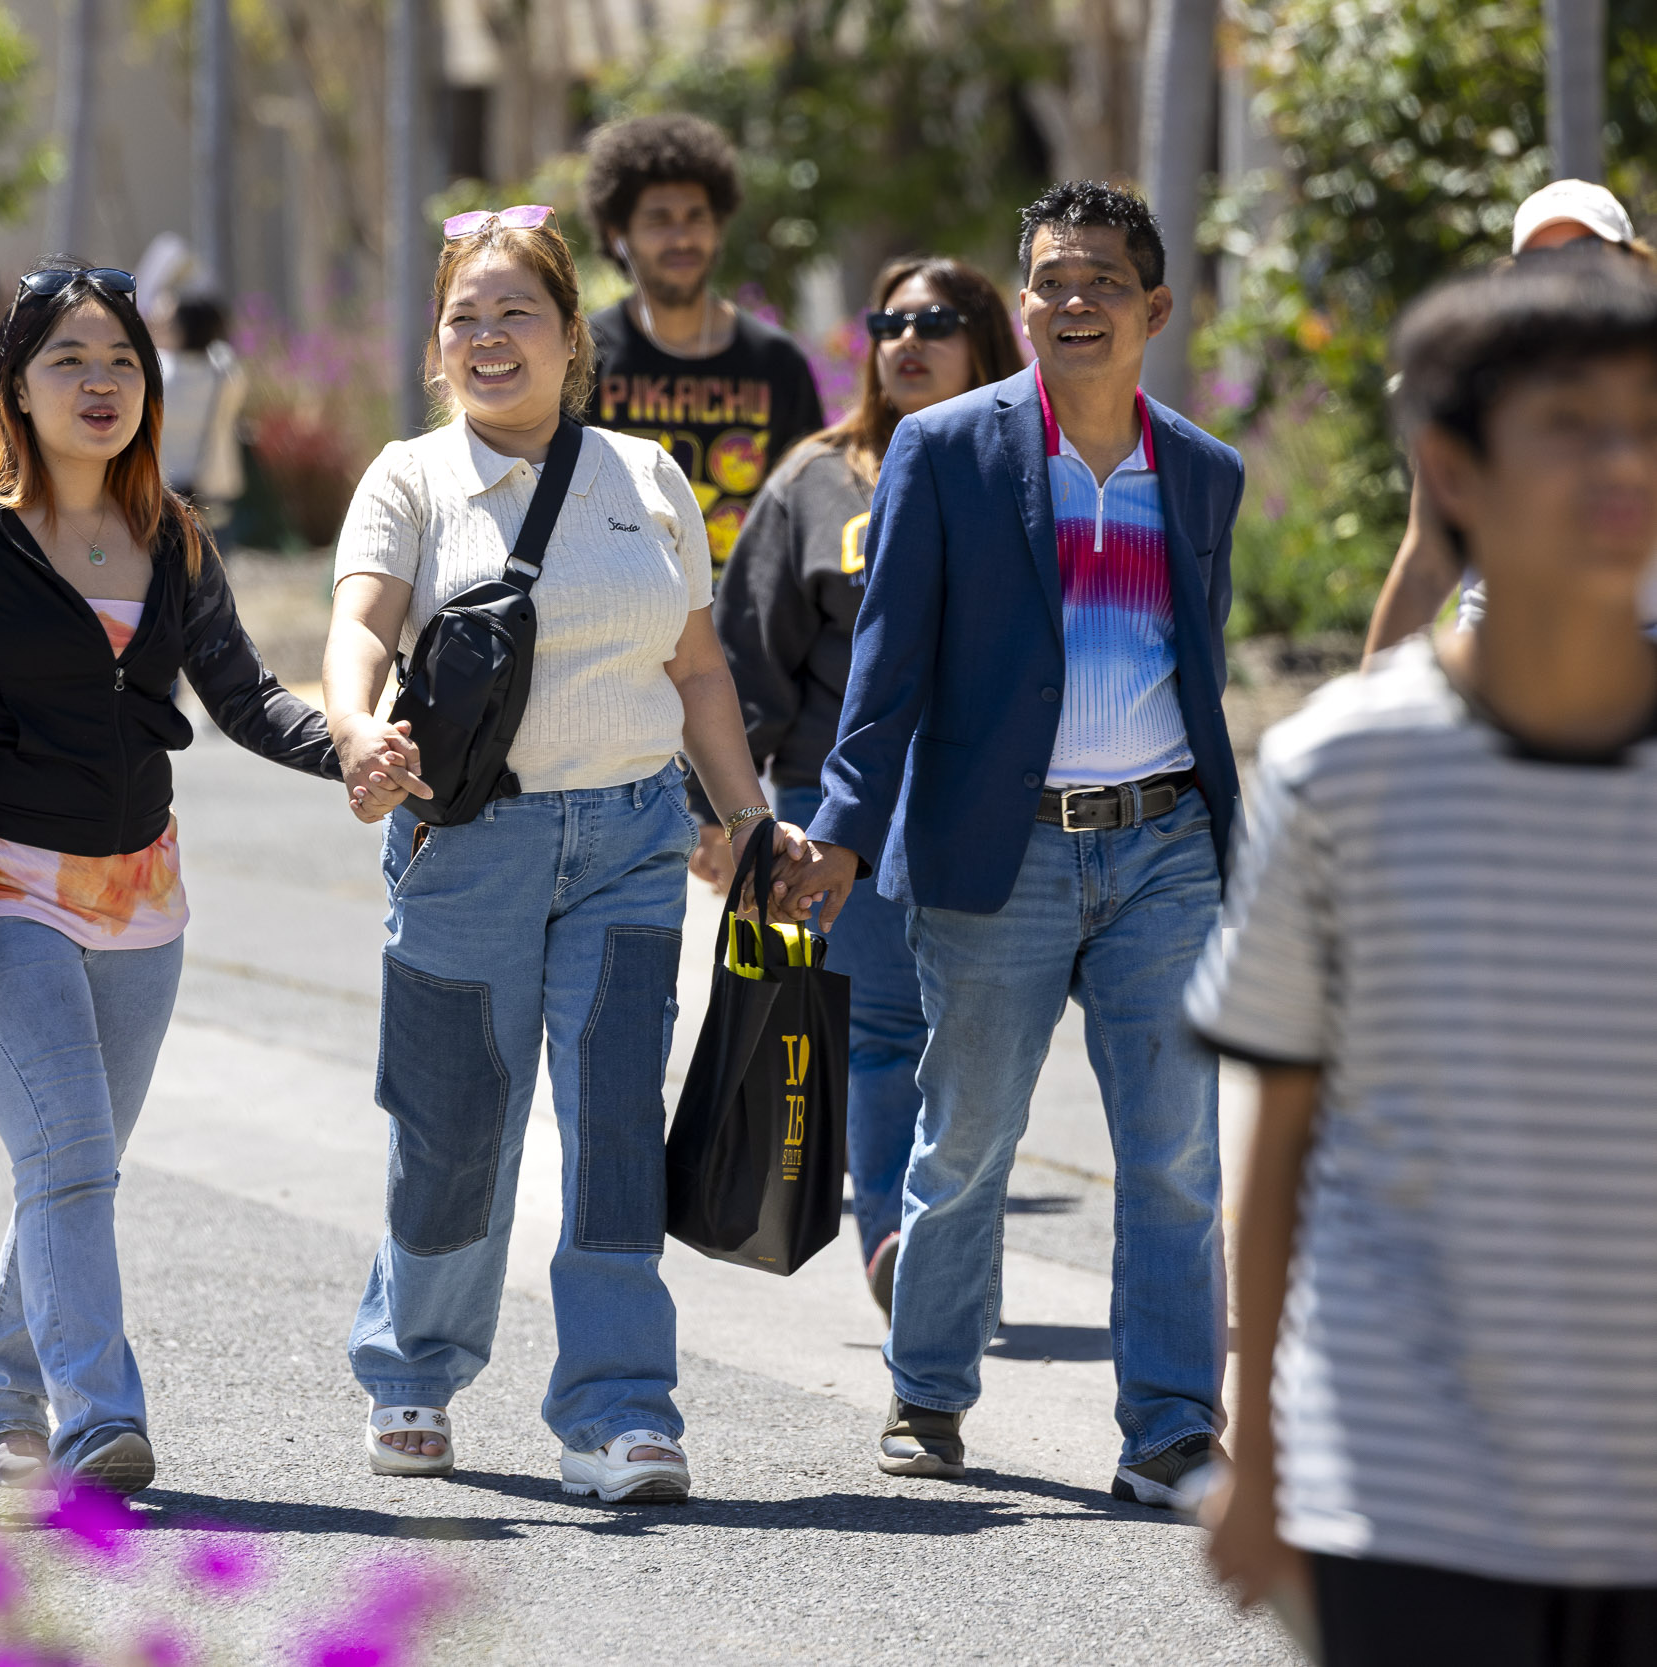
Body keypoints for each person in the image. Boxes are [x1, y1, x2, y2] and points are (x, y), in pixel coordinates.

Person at [0, 260, 362, 1496]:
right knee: (73, 1158)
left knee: (65, 1165)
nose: (100, 385)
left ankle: (0, 1390)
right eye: (69, 362)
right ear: (15, 385)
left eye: (120, 363)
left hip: (140, 897)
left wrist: (354, 749)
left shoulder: (172, 531)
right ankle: (100, 1420)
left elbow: (248, 698)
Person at [1195, 251, 1657, 1667]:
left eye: (1649, 422)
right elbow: (1278, 1126)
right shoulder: (1343, 769)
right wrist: (1256, 1454)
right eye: (1571, 424)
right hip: (1404, 1485)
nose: (1622, 463)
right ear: (1450, 470)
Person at [321, 205, 809, 1505]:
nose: (489, 338)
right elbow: (358, 628)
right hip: (467, 845)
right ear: (437, 347)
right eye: (464, 318)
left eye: (515, 312)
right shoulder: (411, 479)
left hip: (630, 842)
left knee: (611, 1132)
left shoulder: (649, 479)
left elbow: (696, 668)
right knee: (452, 1135)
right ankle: (413, 1365)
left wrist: (749, 815)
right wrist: (359, 724)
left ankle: (620, 1409)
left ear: (571, 335)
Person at [790, 182, 1246, 1506]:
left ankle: (1167, 1426)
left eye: (1103, 280)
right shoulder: (948, 449)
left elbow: (1200, 670)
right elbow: (887, 673)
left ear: (1154, 308)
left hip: (1165, 845)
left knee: (1170, 1147)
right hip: (1004, 850)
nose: (1072, 304)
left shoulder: (1202, 472)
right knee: (970, 1132)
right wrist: (840, 833)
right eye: (1049, 280)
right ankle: (929, 1386)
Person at [704, 254, 1025, 1316]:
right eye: (888, 319)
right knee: (884, 1034)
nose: (906, 338)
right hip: (850, 809)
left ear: (985, 339)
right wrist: (737, 819)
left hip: (997, 804)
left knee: (979, 1042)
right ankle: (899, 1242)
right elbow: (746, 658)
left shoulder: (1034, 467)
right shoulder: (816, 479)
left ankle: (947, 1240)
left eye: (936, 319)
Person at [1361, 179, 1657, 663]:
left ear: (1633, 264)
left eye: (1587, 252)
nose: (1566, 278)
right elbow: (1426, 565)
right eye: (1539, 264)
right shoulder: (1473, 396)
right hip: (1501, 658)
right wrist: (1372, 716)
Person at [581, 113, 823, 575]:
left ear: (718, 229)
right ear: (618, 237)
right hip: (620, 629)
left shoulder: (776, 363)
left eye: (697, 217)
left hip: (746, 633)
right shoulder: (581, 358)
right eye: (659, 220)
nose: (682, 237)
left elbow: (809, 509)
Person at [154, 295, 245, 518]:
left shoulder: (158, 372)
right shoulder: (226, 373)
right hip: (213, 483)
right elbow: (223, 352)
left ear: (181, 329)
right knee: (216, 549)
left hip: (165, 484)